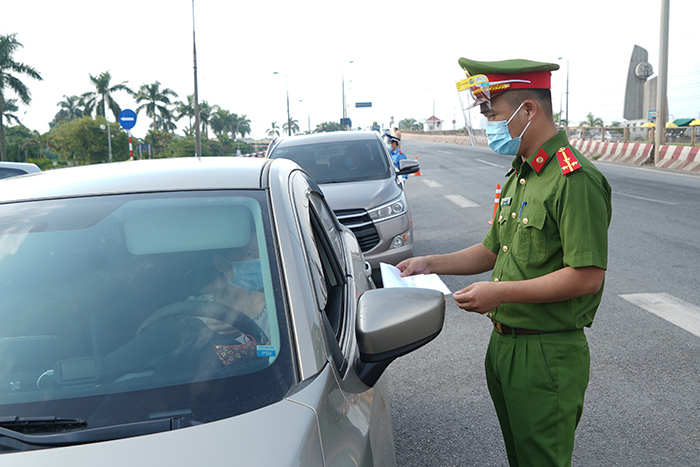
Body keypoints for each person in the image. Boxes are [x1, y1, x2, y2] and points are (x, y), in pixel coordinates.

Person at [397, 58, 612, 467]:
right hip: (505, 345)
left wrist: (499, 291)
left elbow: (587, 277)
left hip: (545, 351)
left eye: (492, 115)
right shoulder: (521, 175)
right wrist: (428, 263)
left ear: (528, 110)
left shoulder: (574, 179)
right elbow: (492, 250)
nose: (487, 126)